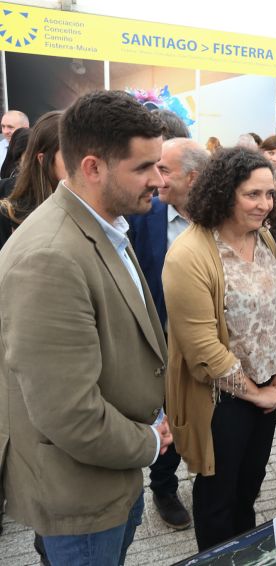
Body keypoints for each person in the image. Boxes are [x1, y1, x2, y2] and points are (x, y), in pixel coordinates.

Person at [0, 90, 172, 565]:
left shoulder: (105, 223)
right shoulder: (50, 257)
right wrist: (150, 443)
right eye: (144, 168)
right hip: (81, 496)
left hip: (111, 472)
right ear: (93, 167)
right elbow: (69, 413)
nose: (159, 180)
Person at [163, 147, 276, 551]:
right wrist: (258, 394)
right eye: (253, 194)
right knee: (217, 497)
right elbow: (203, 348)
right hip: (221, 400)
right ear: (224, 192)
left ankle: (247, 554)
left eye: (269, 194)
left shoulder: (266, 239)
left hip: (266, 391)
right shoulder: (189, 254)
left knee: (249, 488)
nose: (264, 204)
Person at [128, 138, 209, 530]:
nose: (155, 179)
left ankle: (214, 475)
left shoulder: (218, 216)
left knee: (213, 413)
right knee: (170, 414)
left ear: (192, 178)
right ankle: (163, 486)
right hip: (163, 341)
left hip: (213, 339)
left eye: (164, 170)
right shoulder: (145, 217)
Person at [0, 112, 63, 249]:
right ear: (42, 159)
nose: (5, 131)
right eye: (3, 126)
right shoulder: (11, 208)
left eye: (10, 127)